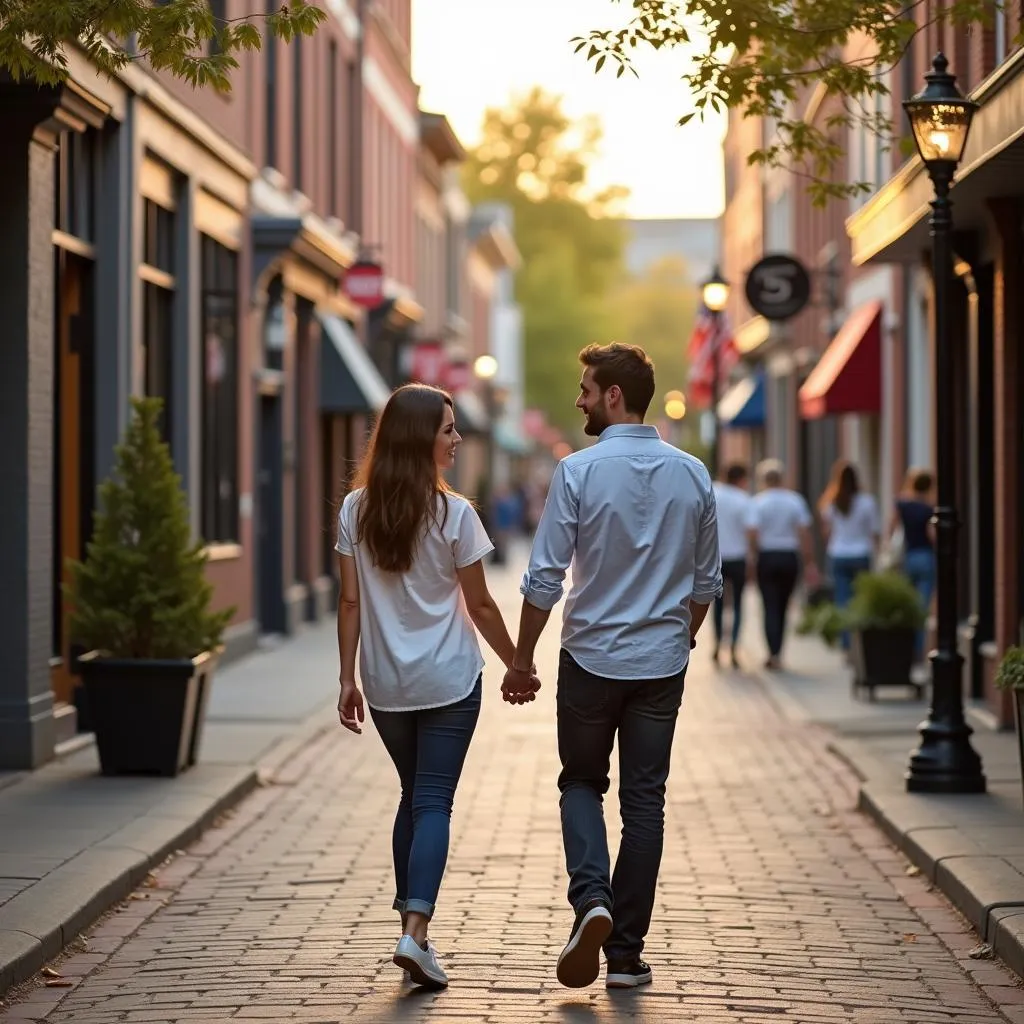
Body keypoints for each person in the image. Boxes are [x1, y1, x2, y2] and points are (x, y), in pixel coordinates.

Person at [502, 343, 722, 992]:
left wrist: (521, 658)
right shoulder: (693, 474)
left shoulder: (578, 472)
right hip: (660, 662)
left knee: (580, 784)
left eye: (586, 389)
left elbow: (543, 577)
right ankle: (625, 955)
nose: (579, 400)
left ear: (614, 397)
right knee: (645, 802)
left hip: (591, 659)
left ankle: (591, 899)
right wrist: (678, 643)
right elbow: (706, 583)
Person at [334, 383, 538, 990]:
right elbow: (479, 602)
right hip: (448, 679)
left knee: (413, 796)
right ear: (420, 437)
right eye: (447, 429)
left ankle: (408, 925)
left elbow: (349, 601)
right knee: (433, 801)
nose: (456, 438)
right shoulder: (454, 514)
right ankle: (415, 933)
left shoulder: (354, 509)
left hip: (387, 683)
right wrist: (517, 663)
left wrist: (348, 677)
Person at [746, 459, 818, 671]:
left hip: (767, 556)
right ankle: (779, 652)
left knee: (769, 606)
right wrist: (809, 561)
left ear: (763, 480)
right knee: (784, 606)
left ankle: (772, 653)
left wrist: (754, 554)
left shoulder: (758, 502)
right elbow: (804, 533)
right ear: (782, 478)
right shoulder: (795, 501)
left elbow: (752, 533)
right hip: (789, 557)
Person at [817, 461, 880, 647]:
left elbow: (827, 533)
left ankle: (846, 642)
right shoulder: (867, 502)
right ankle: (860, 640)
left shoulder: (831, 503)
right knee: (860, 599)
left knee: (842, 599)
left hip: (839, 554)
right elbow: (874, 531)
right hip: (861, 554)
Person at [893, 467, 936, 661]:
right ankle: (918, 652)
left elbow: (892, 529)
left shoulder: (902, 505)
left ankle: (906, 651)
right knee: (921, 608)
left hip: (909, 559)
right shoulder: (929, 509)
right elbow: (932, 536)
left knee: (908, 607)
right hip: (926, 558)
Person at [712, 463, 753, 667]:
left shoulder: (712, 492)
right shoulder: (743, 499)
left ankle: (718, 645)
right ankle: (735, 647)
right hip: (738, 557)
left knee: (717, 605)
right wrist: (753, 558)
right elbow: (751, 531)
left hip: (716, 559)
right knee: (737, 604)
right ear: (740, 478)